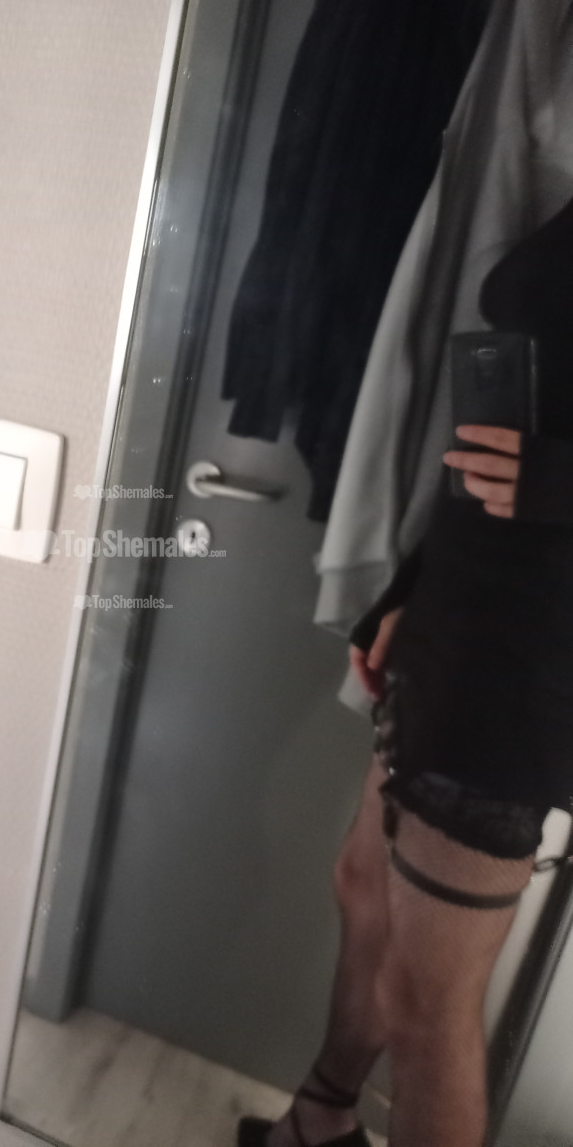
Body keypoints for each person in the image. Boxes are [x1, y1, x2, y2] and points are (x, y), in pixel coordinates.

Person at [238, 192, 573, 1147]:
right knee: (362, 884)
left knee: (428, 1005)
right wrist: (410, 593)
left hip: (532, 660)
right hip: (463, 607)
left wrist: (559, 480)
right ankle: (320, 1122)